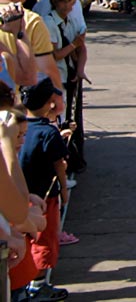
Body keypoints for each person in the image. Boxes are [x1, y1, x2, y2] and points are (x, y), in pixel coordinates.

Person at [19, 76, 69, 302]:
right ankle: (38, 285)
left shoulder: (18, 128)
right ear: (50, 103)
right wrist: (65, 190)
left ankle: (22, 282)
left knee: (25, 240)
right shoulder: (48, 133)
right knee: (44, 240)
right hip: (44, 197)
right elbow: (59, 165)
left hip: (20, 195)